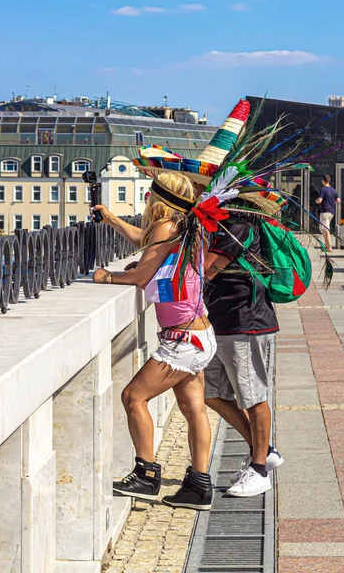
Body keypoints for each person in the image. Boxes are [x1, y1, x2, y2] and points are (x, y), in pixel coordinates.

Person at [91, 172, 217, 511]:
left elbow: (142, 274)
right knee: (194, 410)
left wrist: (109, 277)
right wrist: (113, 219)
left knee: (133, 396)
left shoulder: (167, 227)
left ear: (159, 198)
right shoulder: (185, 226)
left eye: (150, 193)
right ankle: (198, 487)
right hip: (198, 333)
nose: (147, 198)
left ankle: (146, 476)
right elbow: (149, 249)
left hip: (183, 339)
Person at [203, 207, 283, 498]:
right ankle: (264, 450)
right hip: (219, 320)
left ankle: (260, 470)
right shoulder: (215, 227)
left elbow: (208, 269)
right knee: (209, 392)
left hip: (245, 321)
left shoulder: (237, 228)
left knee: (253, 397)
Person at [316, 174, 340, 253]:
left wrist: (316, 201)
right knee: (322, 228)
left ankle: (329, 247)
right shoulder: (333, 190)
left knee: (326, 230)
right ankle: (326, 245)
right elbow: (338, 200)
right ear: (328, 181)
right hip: (331, 212)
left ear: (323, 181)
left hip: (325, 212)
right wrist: (331, 201)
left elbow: (319, 200)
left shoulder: (323, 190)